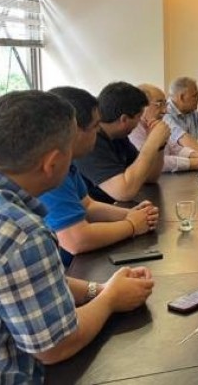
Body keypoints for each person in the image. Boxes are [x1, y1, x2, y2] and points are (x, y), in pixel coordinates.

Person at [0, 91, 154, 383]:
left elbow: (21, 282)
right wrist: (111, 299)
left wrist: (97, 289)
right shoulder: (23, 234)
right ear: (52, 163)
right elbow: (55, 346)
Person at [39, 87, 161, 267]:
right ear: (74, 131)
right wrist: (132, 225)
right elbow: (76, 240)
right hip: (68, 267)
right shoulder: (51, 171)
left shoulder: (68, 164)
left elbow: (88, 205)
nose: (98, 132)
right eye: (95, 126)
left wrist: (132, 214)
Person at [75, 81, 168, 202]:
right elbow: (123, 192)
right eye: (139, 117)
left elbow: (150, 177)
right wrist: (152, 142)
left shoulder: (119, 137)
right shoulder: (91, 141)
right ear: (124, 119)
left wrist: (160, 145)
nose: (140, 122)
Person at [132, 84, 198, 172]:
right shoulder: (133, 130)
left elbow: (174, 148)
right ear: (142, 106)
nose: (165, 111)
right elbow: (153, 163)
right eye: (159, 104)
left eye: (165, 104)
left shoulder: (156, 123)